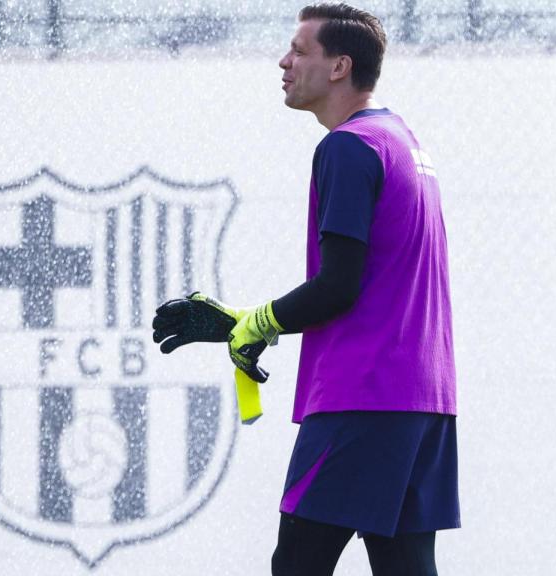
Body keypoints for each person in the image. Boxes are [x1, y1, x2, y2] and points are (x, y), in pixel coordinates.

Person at [152, 3, 459, 575]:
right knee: (405, 567)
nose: (283, 61)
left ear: (339, 66)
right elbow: (364, 285)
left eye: (299, 50)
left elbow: (338, 287)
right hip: (424, 400)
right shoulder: (402, 140)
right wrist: (249, 320)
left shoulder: (348, 147)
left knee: (298, 564)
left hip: (362, 399)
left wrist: (259, 322)